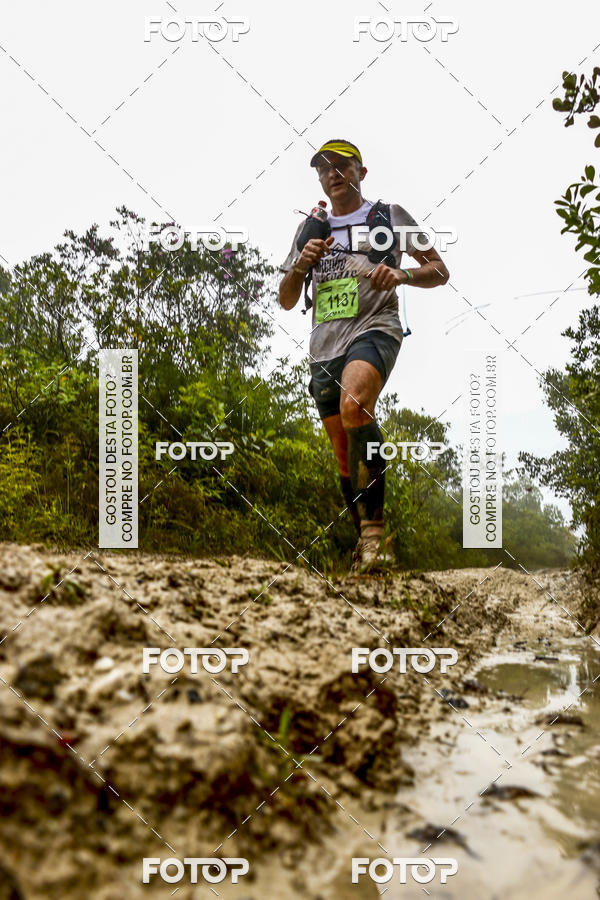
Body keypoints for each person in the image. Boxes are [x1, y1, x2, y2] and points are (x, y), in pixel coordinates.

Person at [278, 139, 449, 572]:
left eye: (341, 165)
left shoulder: (388, 217)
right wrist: (301, 265)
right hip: (324, 347)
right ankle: (363, 546)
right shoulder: (309, 229)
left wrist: (402, 272)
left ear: (361, 172)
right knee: (342, 453)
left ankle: (375, 536)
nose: (332, 173)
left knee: (355, 405)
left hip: (375, 328)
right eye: (324, 168)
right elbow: (285, 298)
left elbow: (440, 270)